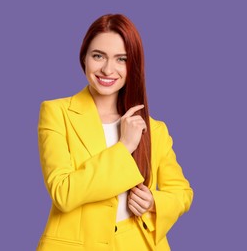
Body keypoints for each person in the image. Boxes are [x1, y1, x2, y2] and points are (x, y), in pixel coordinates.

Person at [37, 14, 193, 251]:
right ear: (84, 57)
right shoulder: (56, 113)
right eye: (98, 56)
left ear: (133, 65)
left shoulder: (155, 129)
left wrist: (153, 202)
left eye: (121, 59)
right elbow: (63, 192)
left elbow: (182, 192)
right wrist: (124, 147)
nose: (108, 69)